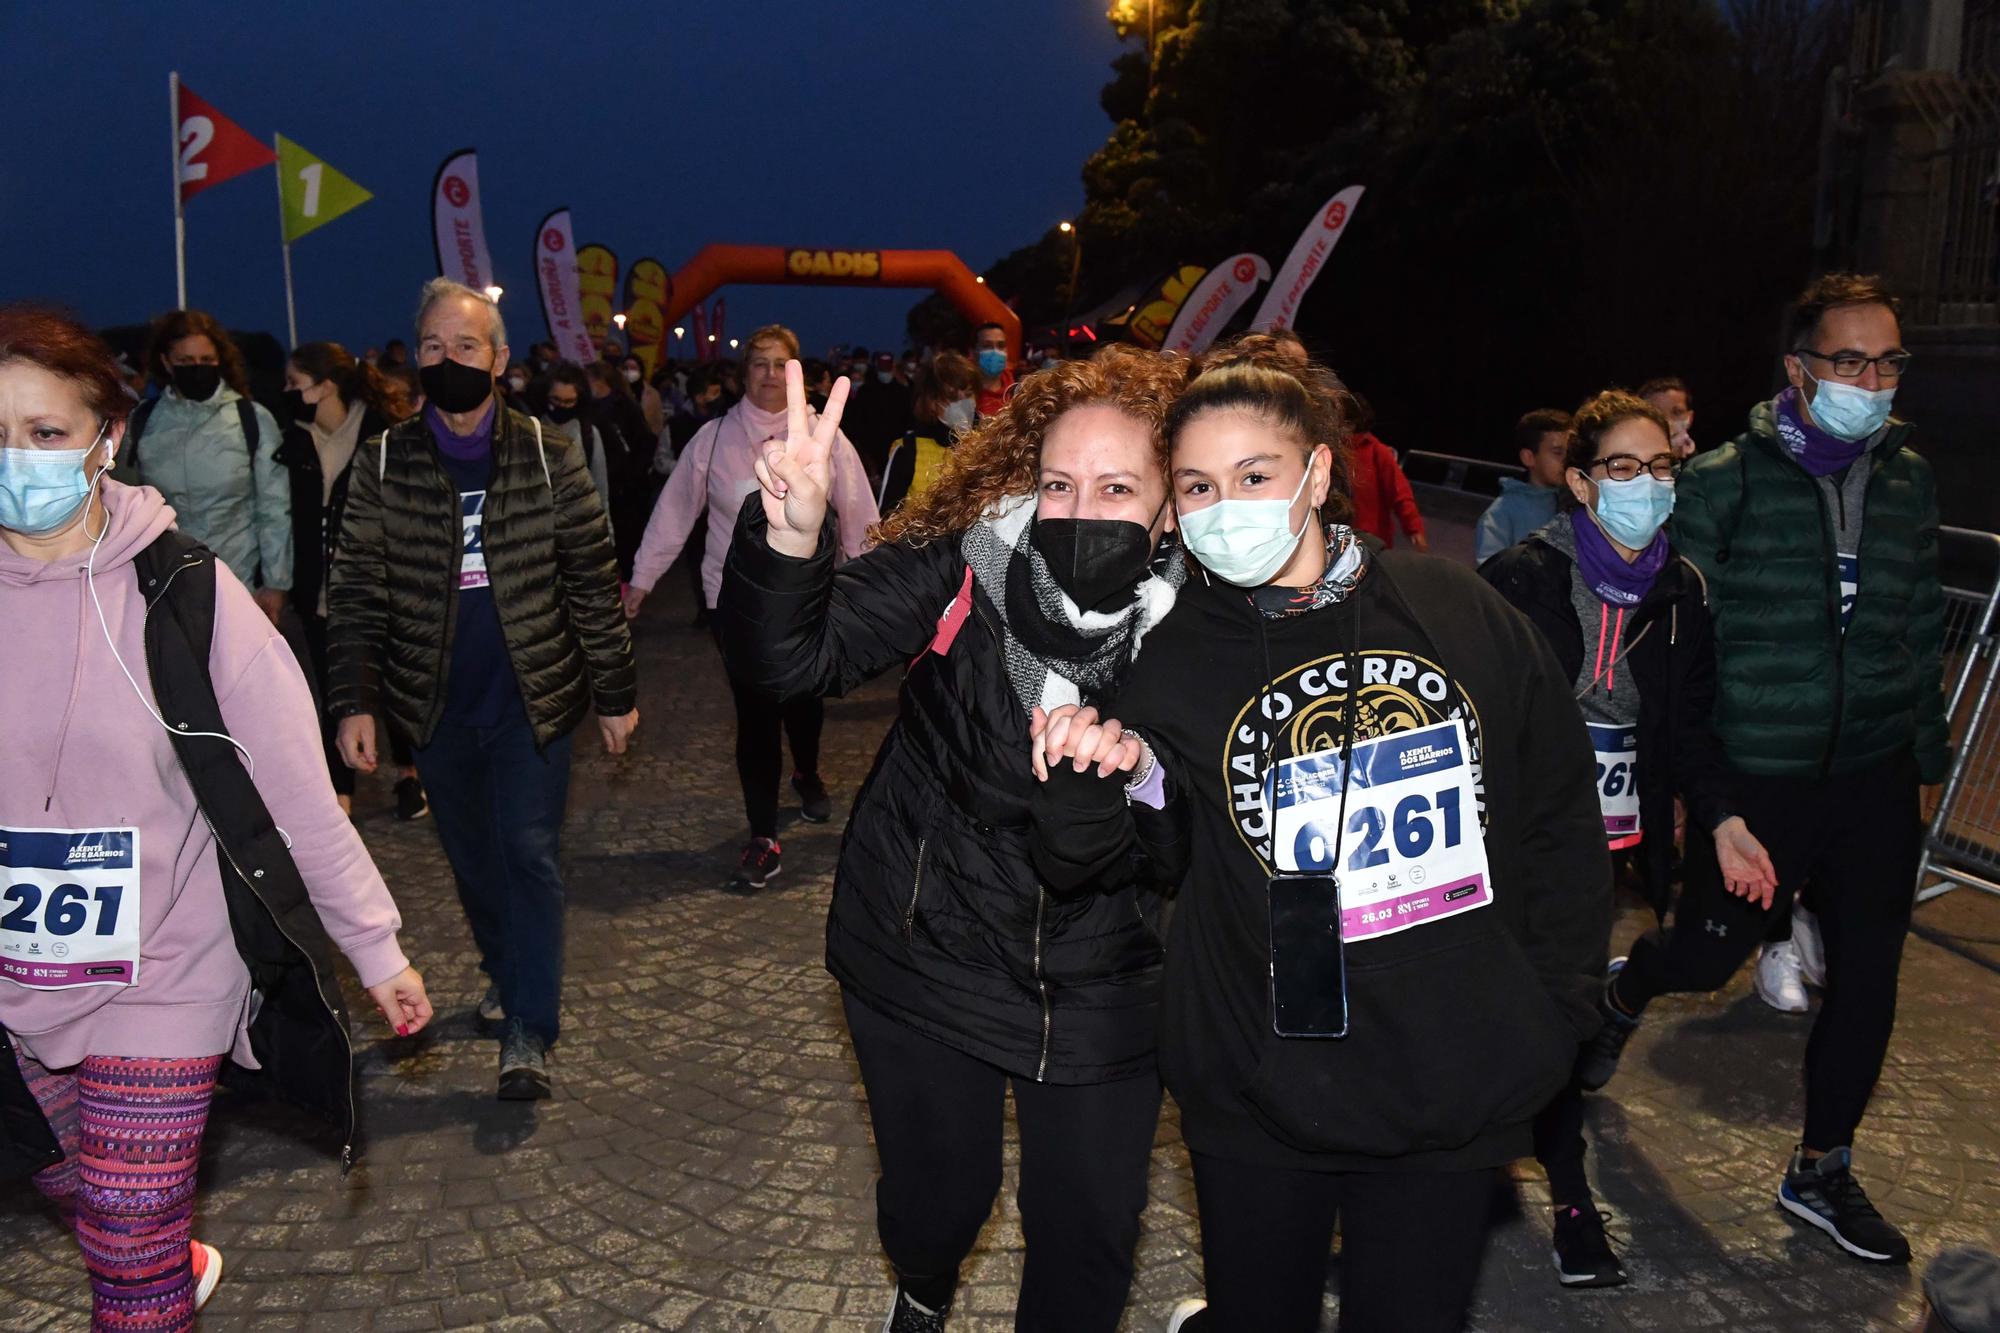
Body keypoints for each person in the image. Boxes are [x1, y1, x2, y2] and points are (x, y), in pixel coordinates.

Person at [1033, 336, 1612, 1333]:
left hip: (1444, 1081)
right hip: (1258, 1093)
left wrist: (1552, 1011)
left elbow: (1560, 810)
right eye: (1199, 487)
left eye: (1253, 474)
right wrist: (1098, 786)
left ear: (1314, 472)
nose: (1228, 508)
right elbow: (1141, 860)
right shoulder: (1171, 658)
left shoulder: (1452, 608)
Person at [722, 344, 1191, 1333]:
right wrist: (790, 538)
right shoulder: (970, 559)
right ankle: (924, 1288)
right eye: (1056, 483)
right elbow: (793, 660)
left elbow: (1204, 825)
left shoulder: (1208, 623)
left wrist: (1136, 780)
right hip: (924, 936)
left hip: (1109, 974)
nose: (1078, 511)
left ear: (1169, 505)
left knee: (1087, 1234)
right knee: (939, 1202)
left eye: (1116, 486)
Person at [0, 305, 433, 1326]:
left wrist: (375, 948)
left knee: (125, 1214)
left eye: (46, 432)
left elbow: (293, 790)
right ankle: (145, 1243)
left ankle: (145, 1260)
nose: (18, 458)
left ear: (106, 439)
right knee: (73, 1179)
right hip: (21, 961)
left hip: (169, 965)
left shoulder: (187, 591)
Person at [1578, 273, 1947, 1266]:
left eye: (1886, 361)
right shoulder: (1722, 484)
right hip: (1759, 782)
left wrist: (1924, 754)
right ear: (1797, 368)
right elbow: (1681, 657)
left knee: (1867, 977)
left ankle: (1820, 1164)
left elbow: (1918, 625)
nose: (1870, 379)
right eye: (1847, 360)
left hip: (1869, 775)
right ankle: (1625, 990)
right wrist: (1713, 802)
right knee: (1703, 958)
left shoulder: (1908, 479)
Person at [1481, 389, 1777, 1289]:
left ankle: (1570, 1199)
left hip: (1603, 851)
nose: (1647, 483)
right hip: (1512, 836)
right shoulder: (1523, 576)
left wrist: (1724, 821)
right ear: (1578, 481)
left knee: (1563, 1006)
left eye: (1661, 467)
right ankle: (1436, 1174)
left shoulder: (1681, 590)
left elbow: (1691, 729)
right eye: (1622, 467)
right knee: (1495, 1007)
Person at [328, 279, 638, 1102]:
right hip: (433, 707)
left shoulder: (548, 453)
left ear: (500, 360)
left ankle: (530, 1028)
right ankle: (503, 968)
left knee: (530, 854)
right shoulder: (385, 462)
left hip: (532, 699)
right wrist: (354, 699)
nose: (447, 361)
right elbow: (356, 589)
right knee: (474, 862)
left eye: (465, 348)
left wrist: (614, 692)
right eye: (431, 348)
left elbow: (589, 577)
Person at [624, 325, 878, 890]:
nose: (767, 373)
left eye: (778, 363)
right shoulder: (713, 438)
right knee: (757, 712)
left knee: (805, 703)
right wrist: (642, 577)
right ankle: (762, 834)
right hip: (732, 603)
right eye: (758, 363)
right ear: (743, 373)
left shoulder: (825, 437)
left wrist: (870, 580)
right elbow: (675, 511)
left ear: (797, 372)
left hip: (812, 600)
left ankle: (808, 771)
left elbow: (860, 509)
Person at [277, 341, 428, 822]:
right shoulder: (295, 437)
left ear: (325, 387)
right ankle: (341, 792)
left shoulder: (383, 435)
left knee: (392, 687)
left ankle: (409, 775)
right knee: (332, 692)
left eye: (294, 383)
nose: (286, 392)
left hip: (380, 590)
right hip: (319, 592)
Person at [119, 309, 291, 625]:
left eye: (206, 360)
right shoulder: (142, 423)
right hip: (166, 589)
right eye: (185, 361)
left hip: (239, 585)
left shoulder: (251, 419)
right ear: (167, 363)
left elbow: (274, 508)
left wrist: (276, 583)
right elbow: (125, 506)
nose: (197, 368)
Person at [588, 359, 667, 583]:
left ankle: (628, 581)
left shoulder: (624, 406)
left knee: (626, 538)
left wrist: (632, 475)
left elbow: (644, 442)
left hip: (626, 486)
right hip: (604, 481)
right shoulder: (589, 408)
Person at [877, 350, 980, 515]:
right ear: (932, 402)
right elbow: (886, 518)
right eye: (953, 398)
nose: (963, 403)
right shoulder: (908, 450)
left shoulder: (987, 446)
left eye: (968, 395)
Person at [1475, 408, 1572, 565]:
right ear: (1529, 458)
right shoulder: (1500, 515)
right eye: (1558, 452)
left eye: (1570, 452)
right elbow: (1490, 578)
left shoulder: (1574, 503)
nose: (1567, 460)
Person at [1342, 393, 1428, 551]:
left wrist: (1415, 529)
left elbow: (1400, 493)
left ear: (1351, 423)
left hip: (1370, 543)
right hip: (1337, 539)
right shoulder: (1330, 451)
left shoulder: (1377, 452)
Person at [542, 362, 614, 512]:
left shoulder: (588, 434)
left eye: (569, 401)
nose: (561, 406)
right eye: (556, 400)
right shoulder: (528, 429)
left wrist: (606, 532)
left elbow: (600, 488)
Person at [843, 350, 916, 484]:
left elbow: (909, 421)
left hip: (896, 450)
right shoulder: (866, 391)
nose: (885, 371)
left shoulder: (902, 392)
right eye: (882, 367)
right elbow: (859, 423)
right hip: (872, 451)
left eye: (887, 367)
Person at [1639, 376, 1697, 460]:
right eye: (1656, 413)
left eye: (1677, 412)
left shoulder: (1703, 469)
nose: (1666, 421)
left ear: (1690, 418)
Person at [620, 352, 666, 439]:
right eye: (626, 368)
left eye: (633, 368)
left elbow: (658, 423)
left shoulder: (652, 394)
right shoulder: (617, 392)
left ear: (641, 370)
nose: (629, 371)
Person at [973, 322, 1014, 418]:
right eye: (987, 346)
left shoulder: (1018, 390)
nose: (995, 351)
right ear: (973, 352)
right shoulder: (964, 393)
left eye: (1001, 346)